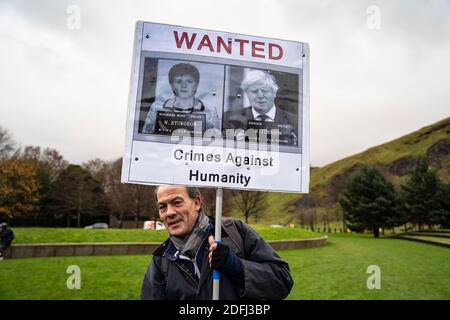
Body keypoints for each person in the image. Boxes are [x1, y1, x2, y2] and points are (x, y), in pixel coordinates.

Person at [140, 185, 294, 300]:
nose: (170, 212)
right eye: (162, 207)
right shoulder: (161, 260)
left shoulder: (234, 232)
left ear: (197, 203)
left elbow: (282, 280)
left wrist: (236, 266)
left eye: (177, 202)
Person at [142, 63, 221, 135]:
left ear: (196, 84)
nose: (184, 86)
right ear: (171, 84)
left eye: (189, 81)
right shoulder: (157, 107)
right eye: (179, 81)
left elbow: (214, 141)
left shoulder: (210, 111)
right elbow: (145, 136)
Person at [223, 70, 297, 144]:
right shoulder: (230, 119)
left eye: (265, 91)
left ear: (274, 93)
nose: (260, 95)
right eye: (254, 91)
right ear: (247, 94)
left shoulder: (295, 120)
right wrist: (234, 142)